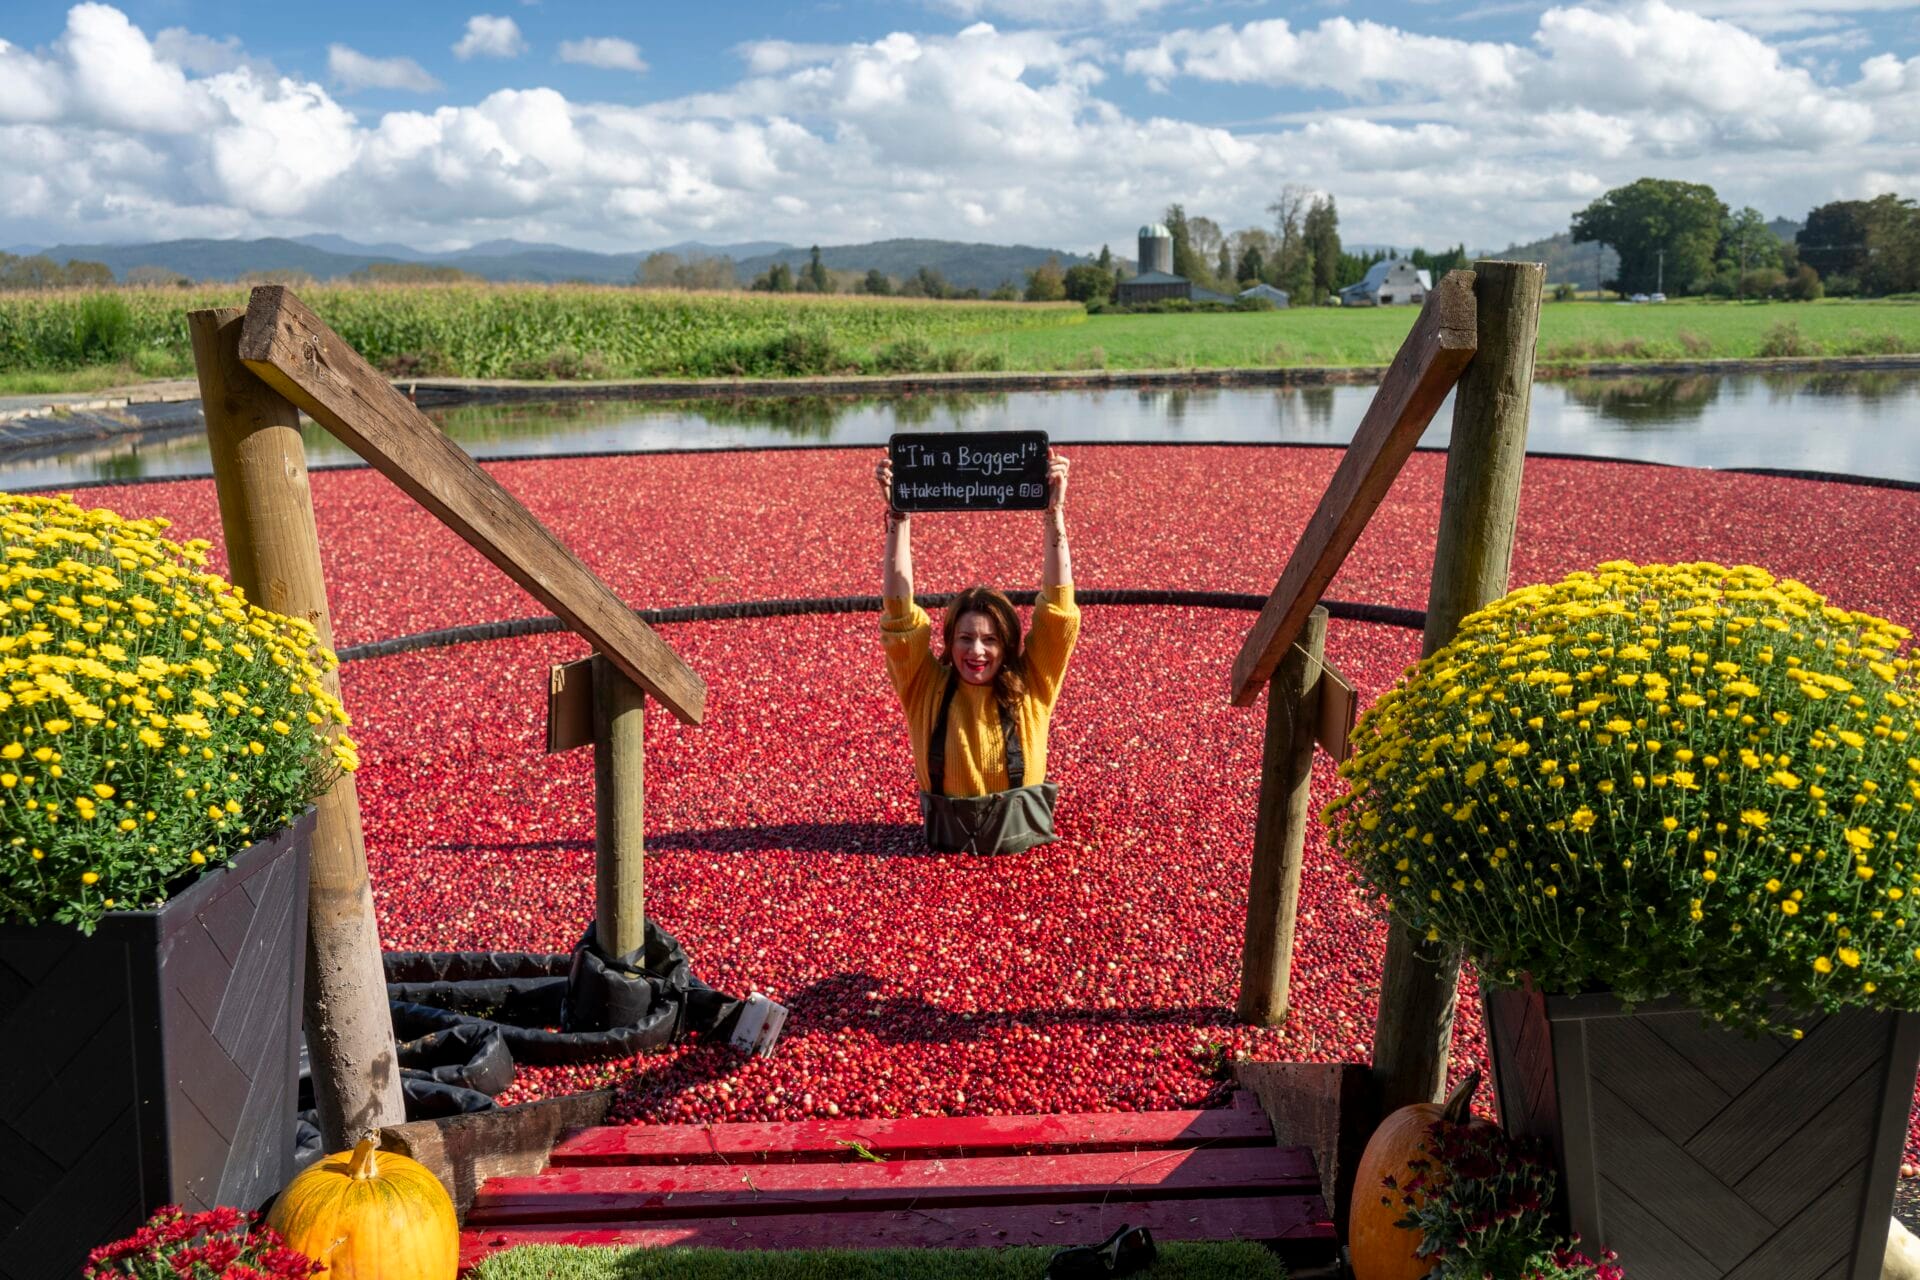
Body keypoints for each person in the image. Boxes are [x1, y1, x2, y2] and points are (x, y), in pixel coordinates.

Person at [873, 449, 1078, 854]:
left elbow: (1058, 610)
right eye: (965, 638)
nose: (977, 651)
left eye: (991, 640)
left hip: (1025, 856)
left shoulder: (1032, 687)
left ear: (1009, 646)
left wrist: (1054, 515)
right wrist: (898, 518)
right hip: (941, 857)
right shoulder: (924, 688)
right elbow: (899, 612)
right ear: (948, 643)